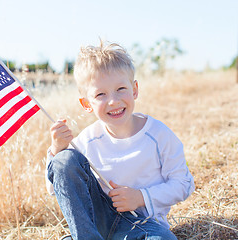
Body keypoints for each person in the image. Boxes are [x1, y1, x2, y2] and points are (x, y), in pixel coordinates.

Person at [45, 40, 195, 240]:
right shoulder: (87, 141)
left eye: (121, 89)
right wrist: (56, 150)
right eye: (100, 94)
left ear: (134, 89)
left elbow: (183, 184)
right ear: (86, 104)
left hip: (142, 226)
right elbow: (55, 190)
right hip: (94, 226)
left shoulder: (158, 135)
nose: (113, 101)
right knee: (64, 160)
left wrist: (140, 197)